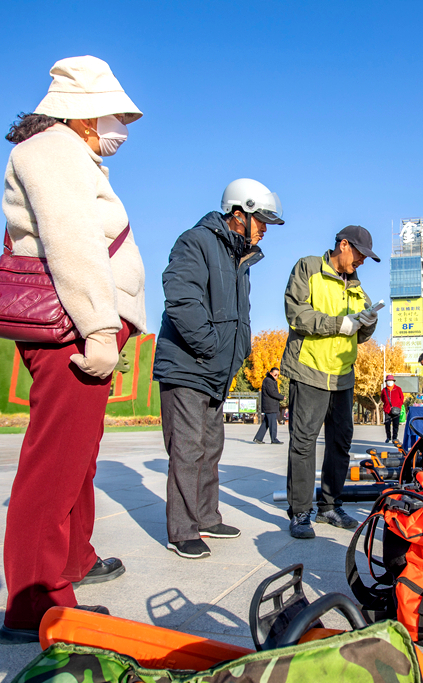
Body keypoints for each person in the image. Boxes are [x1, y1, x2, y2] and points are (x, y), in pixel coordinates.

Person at [0, 56, 146, 644]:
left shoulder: (69, 153)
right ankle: (36, 603)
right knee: (54, 465)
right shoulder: (53, 150)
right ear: (82, 112)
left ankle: (73, 558)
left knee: (77, 457)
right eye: (115, 114)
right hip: (74, 330)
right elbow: (72, 242)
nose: (122, 128)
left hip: (81, 326)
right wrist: (101, 328)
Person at [153, 178, 283, 559]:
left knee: (211, 447)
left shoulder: (240, 260)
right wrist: (210, 347)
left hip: (215, 371)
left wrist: (236, 353)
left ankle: (207, 517)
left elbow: (240, 315)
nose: (264, 230)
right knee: (187, 449)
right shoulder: (196, 242)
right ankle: (182, 530)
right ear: (239, 214)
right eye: (262, 221)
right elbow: (181, 298)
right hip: (187, 365)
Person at [280, 225, 379, 539]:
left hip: (342, 376)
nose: (362, 261)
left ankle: (330, 507)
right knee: (303, 443)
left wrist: (368, 322)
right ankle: (300, 513)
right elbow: (297, 314)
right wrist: (339, 323)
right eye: (360, 254)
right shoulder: (308, 268)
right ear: (344, 245)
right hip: (309, 369)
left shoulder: (357, 288)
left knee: (340, 443)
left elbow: (360, 335)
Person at [254, 368, 285, 444]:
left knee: (266, 422)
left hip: (271, 405)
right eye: (275, 374)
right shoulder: (268, 381)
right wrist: (281, 397)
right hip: (270, 406)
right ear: (271, 373)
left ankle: (258, 438)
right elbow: (272, 392)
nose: (276, 376)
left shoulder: (271, 380)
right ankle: (274, 439)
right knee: (273, 423)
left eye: (278, 375)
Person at [381, 374, 404, 442]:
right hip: (387, 410)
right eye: (388, 380)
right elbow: (382, 398)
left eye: (391, 380)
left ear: (393, 381)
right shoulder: (384, 390)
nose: (390, 382)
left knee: (395, 424)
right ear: (386, 381)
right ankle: (388, 437)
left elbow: (402, 398)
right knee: (387, 424)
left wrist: (398, 406)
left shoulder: (398, 389)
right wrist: (386, 404)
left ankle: (394, 437)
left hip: (396, 409)